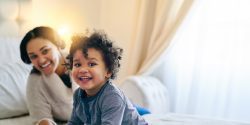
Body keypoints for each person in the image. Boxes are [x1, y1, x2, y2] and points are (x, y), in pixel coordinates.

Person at [67, 31, 148, 125]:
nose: (82, 70)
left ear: (108, 71)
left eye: (92, 64)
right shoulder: (78, 95)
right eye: (77, 64)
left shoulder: (112, 97)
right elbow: (74, 122)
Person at [20, 26, 77, 125]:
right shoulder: (35, 81)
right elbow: (40, 117)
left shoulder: (81, 61)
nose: (41, 60)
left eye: (45, 51)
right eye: (33, 56)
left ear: (57, 45)